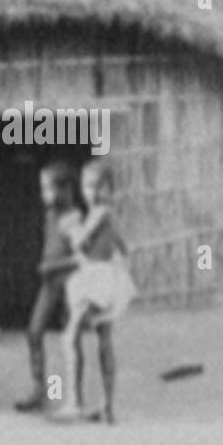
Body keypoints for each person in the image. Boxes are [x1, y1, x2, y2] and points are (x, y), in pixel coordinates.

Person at [53, 159, 136, 424]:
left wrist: (71, 228)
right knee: (103, 341)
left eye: (97, 187)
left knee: (70, 337)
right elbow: (124, 247)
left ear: (108, 189)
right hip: (103, 277)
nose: (91, 192)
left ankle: (74, 402)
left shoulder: (100, 213)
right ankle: (107, 407)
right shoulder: (107, 216)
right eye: (87, 186)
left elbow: (81, 241)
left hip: (96, 279)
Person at [15, 161, 84, 412]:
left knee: (71, 339)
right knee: (34, 332)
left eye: (48, 188)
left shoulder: (74, 220)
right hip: (50, 285)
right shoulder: (50, 216)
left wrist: (51, 267)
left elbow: (80, 257)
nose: (44, 194)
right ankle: (39, 390)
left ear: (65, 189)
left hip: (69, 285)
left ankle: (75, 397)